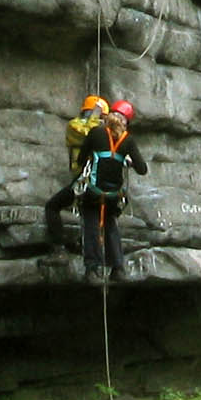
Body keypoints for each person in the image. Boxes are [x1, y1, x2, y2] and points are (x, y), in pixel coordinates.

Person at [46, 95, 147, 282]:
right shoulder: (128, 140)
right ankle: (118, 269)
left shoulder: (95, 133)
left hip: (91, 189)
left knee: (91, 222)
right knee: (110, 222)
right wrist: (127, 161)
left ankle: (92, 269)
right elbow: (143, 169)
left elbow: (81, 160)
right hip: (113, 194)